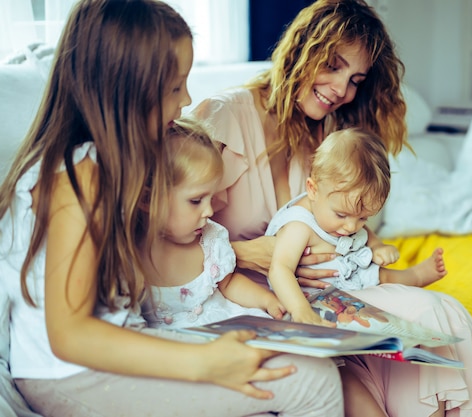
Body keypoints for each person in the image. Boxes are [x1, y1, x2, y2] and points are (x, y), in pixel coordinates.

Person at [0, 1, 343, 416]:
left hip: (111, 353)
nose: (187, 99)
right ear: (127, 89)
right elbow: (69, 335)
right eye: (175, 87)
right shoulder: (82, 175)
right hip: (70, 374)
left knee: (293, 360)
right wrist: (202, 363)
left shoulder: (104, 166)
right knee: (313, 383)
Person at [193, 0, 472, 416]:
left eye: (355, 79)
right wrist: (247, 252)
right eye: (333, 65)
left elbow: (349, 225)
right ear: (301, 50)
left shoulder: (328, 137)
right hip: (256, 301)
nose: (342, 90)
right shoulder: (223, 117)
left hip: (329, 294)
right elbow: (164, 241)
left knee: (440, 315)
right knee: (361, 372)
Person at [265, 127, 446, 327]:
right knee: (374, 279)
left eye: (363, 218)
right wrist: (299, 309)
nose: (351, 226)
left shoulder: (342, 217)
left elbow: (364, 234)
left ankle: (415, 276)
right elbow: (280, 269)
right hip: (310, 296)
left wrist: (377, 247)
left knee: (381, 275)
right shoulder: (298, 225)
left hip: (349, 277)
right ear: (312, 189)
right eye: (341, 215)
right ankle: (412, 278)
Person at [140, 116, 285, 328]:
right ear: (148, 199)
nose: (209, 211)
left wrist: (267, 301)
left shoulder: (210, 240)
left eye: (211, 198)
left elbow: (229, 283)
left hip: (223, 324)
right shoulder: (129, 254)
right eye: (196, 200)